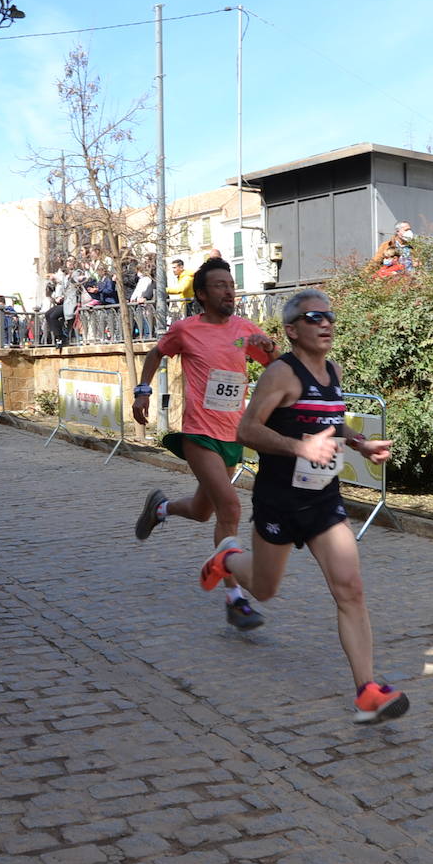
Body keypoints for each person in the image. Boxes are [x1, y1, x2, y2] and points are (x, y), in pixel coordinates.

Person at [200, 288, 408, 724]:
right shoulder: (280, 374)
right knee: (264, 588)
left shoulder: (333, 369)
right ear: (292, 330)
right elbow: (246, 430)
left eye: (329, 316)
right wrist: (299, 447)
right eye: (314, 318)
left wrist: (359, 443)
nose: (326, 323)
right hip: (280, 501)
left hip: (324, 501)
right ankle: (227, 556)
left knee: (350, 588)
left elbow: (331, 421)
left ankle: (367, 690)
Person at [132, 255, 277, 631]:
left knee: (203, 511)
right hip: (198, 433)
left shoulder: (245, 328)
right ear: (201, 294)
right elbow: (155, 354)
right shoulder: (186, 329)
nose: (229, 291)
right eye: (220, 286)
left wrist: (271, 349)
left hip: (233, 434)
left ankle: (160, 508)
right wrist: (143, 390)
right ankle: (234, 599)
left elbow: (274, 366)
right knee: (230, 507)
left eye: (231, 285)